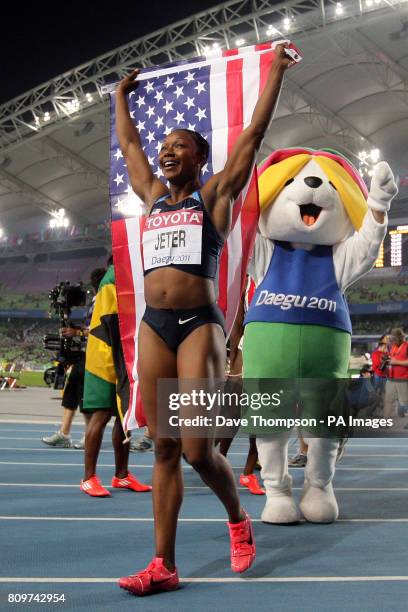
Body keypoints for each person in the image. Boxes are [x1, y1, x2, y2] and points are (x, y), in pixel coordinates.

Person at [115, 44, 295, 595]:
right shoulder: (150, 197)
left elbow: (253, 138)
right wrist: (121, 97)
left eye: (180, 148)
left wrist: (276, 72)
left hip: (199, 325)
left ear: (200, 160)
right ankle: (163, 565)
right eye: (166, 147)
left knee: (197, 449)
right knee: (165, 448)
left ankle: (237, 518)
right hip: (154, 326)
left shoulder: (215, 197)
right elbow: (128, 143)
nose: (167, 153)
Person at [80, 264, 151, 496]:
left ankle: (121, 475)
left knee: (124, 417)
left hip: (122, 353)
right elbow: (111, 320)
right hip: (105, 354)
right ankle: (88, 478)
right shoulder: (115, 276)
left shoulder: (126, 274)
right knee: (100, 416)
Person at [41, 268, 107, 449]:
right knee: (71, 391)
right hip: (86, 352)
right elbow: (91, 327)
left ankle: (89, 435)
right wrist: (75, 329)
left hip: (95, 354)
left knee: (83, 394)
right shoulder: (97, 300)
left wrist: (77, 332)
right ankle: (64, 433)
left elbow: (100, 329)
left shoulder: (103, 299)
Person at [384, 328, 408, 421]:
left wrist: (396, 362)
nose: (392, 341)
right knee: (388, 401)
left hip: (403, 379)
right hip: (391, 379)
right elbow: (392, 360)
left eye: (394, 339)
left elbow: (396, 361)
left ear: (400, 338)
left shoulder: (406, 346)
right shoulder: (393, 346)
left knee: (405, 402)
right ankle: (385, 421)